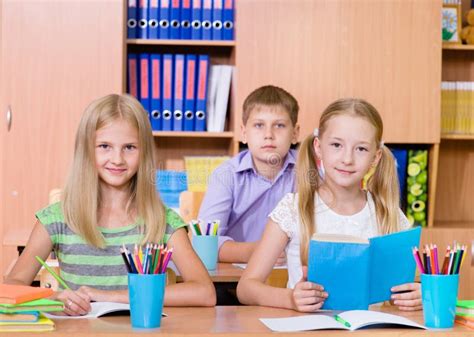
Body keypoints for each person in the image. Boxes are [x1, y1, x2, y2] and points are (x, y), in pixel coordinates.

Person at [5, 94, 216, 315]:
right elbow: (12, 286)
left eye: (129, 147)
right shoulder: (57, 218)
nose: (117, 159)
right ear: (86, 150)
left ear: (144, 152)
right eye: (104, 146)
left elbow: (204, 292)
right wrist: (54, 296)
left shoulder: (162, 221)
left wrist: (110, 297)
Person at [237, 98, 421, 312]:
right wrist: (290, 299)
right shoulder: (292, 209)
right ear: (318, 147)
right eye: (336, 145)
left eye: (361, 149)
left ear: (375, 157)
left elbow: (405, 289)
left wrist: (417, 295)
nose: (347, 159)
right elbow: (246, 288)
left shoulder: (389, 215)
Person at [198, 85, 300, 263]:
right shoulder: (225, 175)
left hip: (294, 277)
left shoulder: (309, 171)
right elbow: (206, 244)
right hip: (235, 279)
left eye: (280, 125)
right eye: (259, 125)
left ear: (295, 133)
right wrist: (259, 251)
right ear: (244, 133)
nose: (269, 135)